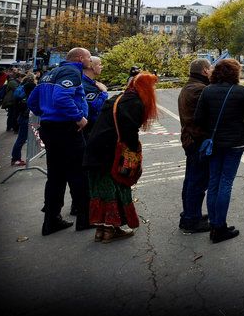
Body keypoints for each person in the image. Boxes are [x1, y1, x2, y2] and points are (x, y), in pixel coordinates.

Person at [83, 71, 159, 243]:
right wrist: (135, 152)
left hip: (95, 149)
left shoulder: (120, 97)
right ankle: (111, 230)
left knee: (99, 189)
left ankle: (100, 231)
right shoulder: (135, 103)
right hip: (110, 152)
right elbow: (129, 132)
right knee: (116, 189)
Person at [26, 47, 93, 235]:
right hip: (67, 130)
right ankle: (84, 218)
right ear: (80, 58)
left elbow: (32, 101)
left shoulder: (50, 73)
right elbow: (62, 97)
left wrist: (46, 114)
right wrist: (79, 117)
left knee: (55, 176)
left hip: (50, 129)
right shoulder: (71, 72)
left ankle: (51, 220)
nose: (90, 60)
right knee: (79, 174)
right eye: (88, 57)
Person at [194, 58, 244, 244]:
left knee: (214, 182)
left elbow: (198, 119)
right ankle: (220, 227)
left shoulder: (207, 91)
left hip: (214, 144)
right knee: (226, 183)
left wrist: (209, 133)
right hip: (235, 143)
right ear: (235, 73)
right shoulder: (242, 92)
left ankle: (214, 224)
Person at [177, 58, 212, 233]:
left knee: (191, 179)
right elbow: (206, 117)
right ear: (205, 70)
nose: (212, 71)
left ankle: (190, 214)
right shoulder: (199, 90)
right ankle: (192, 219)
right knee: (197, 182)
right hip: (197, 141)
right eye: (210, 68)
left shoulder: (190, 87)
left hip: (190, 140)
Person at [10, 71, 37, 166]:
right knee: (21, 139)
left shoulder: (22, 86)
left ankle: (16, 158)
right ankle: (15, 159)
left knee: (21, 139)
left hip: (22, 116)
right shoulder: (30, 88)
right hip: (26, 117)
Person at [81, 57, 109, 136]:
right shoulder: (86, 85)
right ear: (92, 67)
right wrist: (104, 93)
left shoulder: (91, 82)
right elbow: (96, 107)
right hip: (88, 128)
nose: (102, 67)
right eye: (99, 64)